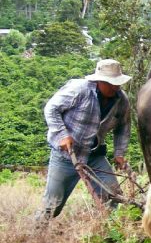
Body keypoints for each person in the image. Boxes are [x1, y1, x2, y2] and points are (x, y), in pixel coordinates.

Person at [35, 58, 132, 221]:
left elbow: (123, 128)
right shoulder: (80, 90)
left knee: (112, 195)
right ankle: (35, 236)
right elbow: (51, 108)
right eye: (110, 83)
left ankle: (108, 233)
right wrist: (62, 135)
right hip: (66, 155)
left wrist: (119, 153)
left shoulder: (121, 100)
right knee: (52, 206)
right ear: (99, 80)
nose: (114, 87)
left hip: (95, 155)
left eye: (117, 83)